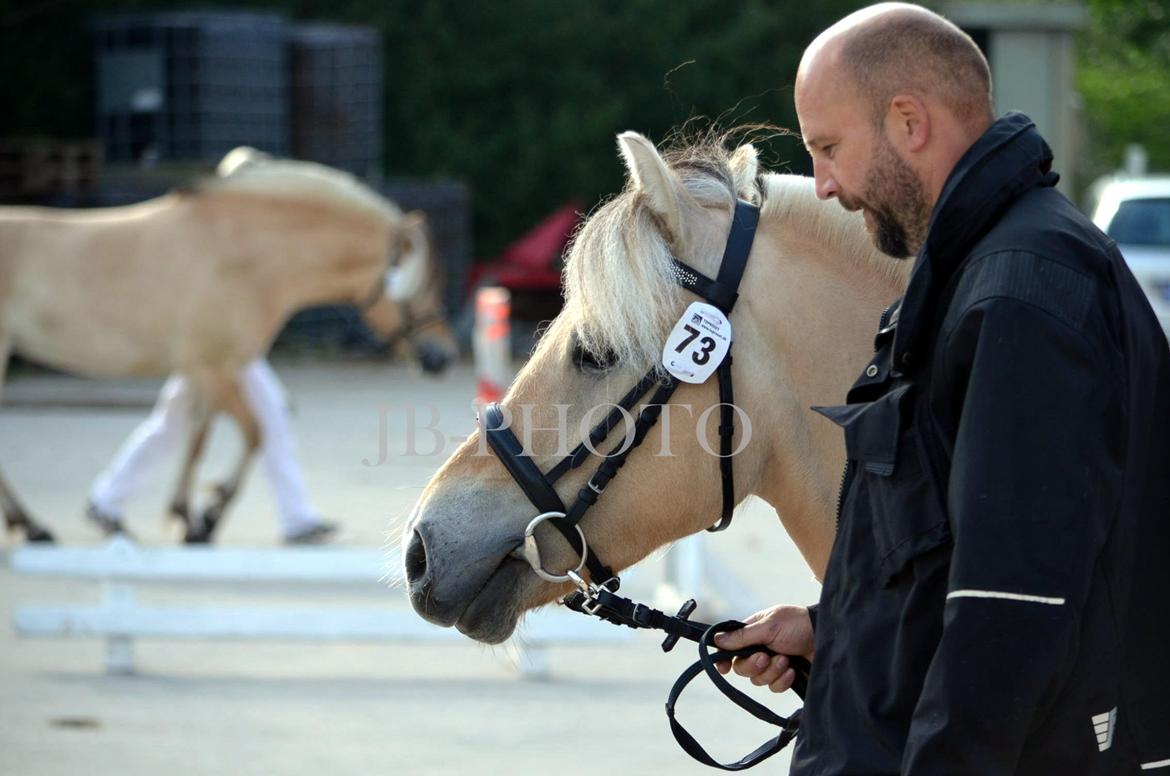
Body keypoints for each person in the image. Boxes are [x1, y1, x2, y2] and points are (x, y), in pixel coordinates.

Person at [714, 3, 1170, 773]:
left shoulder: (1019, 296)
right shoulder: (980, 273)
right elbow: (961, 558)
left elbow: (1011, 610)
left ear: (907, 121)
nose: (821, 185)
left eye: (828, 148)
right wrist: (836, 631)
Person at [87, 358, 338, 545]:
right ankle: (296, 517)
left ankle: (106, 499)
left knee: (169, 427)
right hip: (217, 348)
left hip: (228, 349)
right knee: (272, 419)